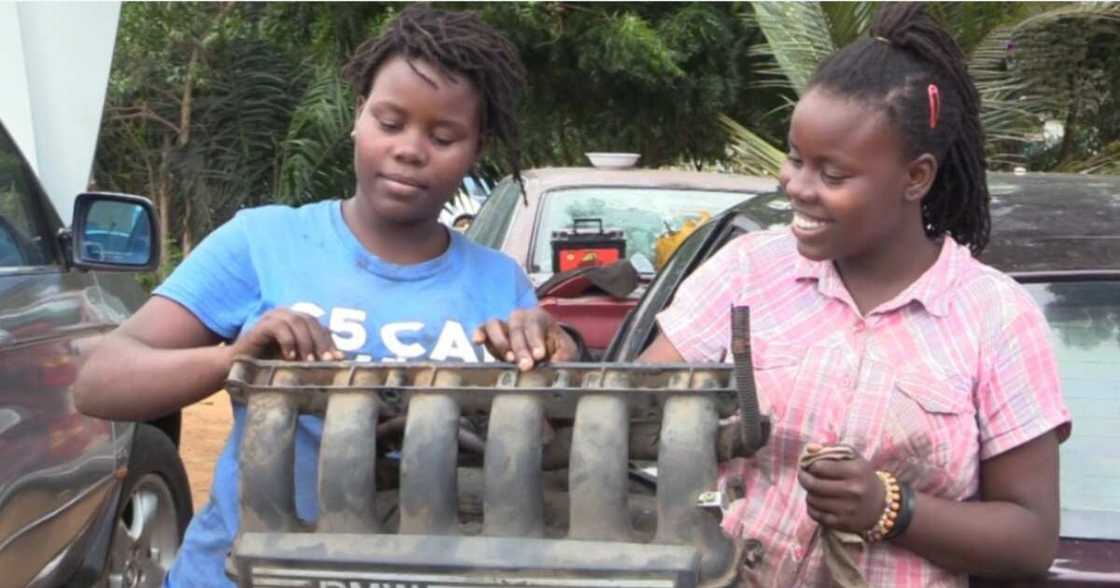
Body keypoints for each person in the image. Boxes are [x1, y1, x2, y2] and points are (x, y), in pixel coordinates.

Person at [482, 4, 1070, 586]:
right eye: (795, 159)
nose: (797, 187)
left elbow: (1030, 539)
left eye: (832, 175)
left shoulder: (996, 317)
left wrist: (894, 508)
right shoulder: (746, 272)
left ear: (916, 177)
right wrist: (560, 363)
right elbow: (627, 410)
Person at [74, 6, 572, 586]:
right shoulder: (263, 241)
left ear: (476, 148)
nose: (411, 149)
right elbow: (98, 382)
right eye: (390, 122)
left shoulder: (498, 281)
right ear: (358, 115)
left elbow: (545, 448)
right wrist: (233, 361)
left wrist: (550, 371)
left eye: (443, 136)